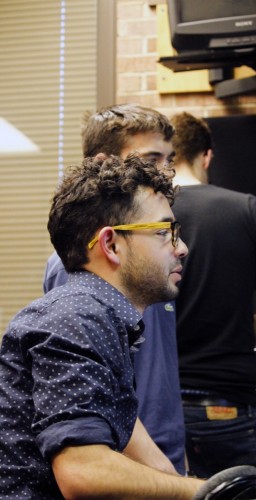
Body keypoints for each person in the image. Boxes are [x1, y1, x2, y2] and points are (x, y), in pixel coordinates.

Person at [0, 155, 256, 498]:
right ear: (111, 244)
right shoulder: (76, 317)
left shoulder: (106, 319)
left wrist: (237, 483)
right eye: (164, 232)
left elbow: (146, 459)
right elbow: (83, 471)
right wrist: (211, 492)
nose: (182, 248)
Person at [43, 104, 186, 474]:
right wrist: (163, 472)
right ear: (107, 163)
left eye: (169, 158)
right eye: (152, 158)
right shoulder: (81, 269)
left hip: (165, 451)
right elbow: (94, 396)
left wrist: (178, 461)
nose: (165, 170)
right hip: (126, 462)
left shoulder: (152, 262)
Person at [170, 112, 256, 478]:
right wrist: (229, 330)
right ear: (206, 156)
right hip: (226, 406)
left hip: (154, 410)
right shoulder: (246, 209)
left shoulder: (139, 216)